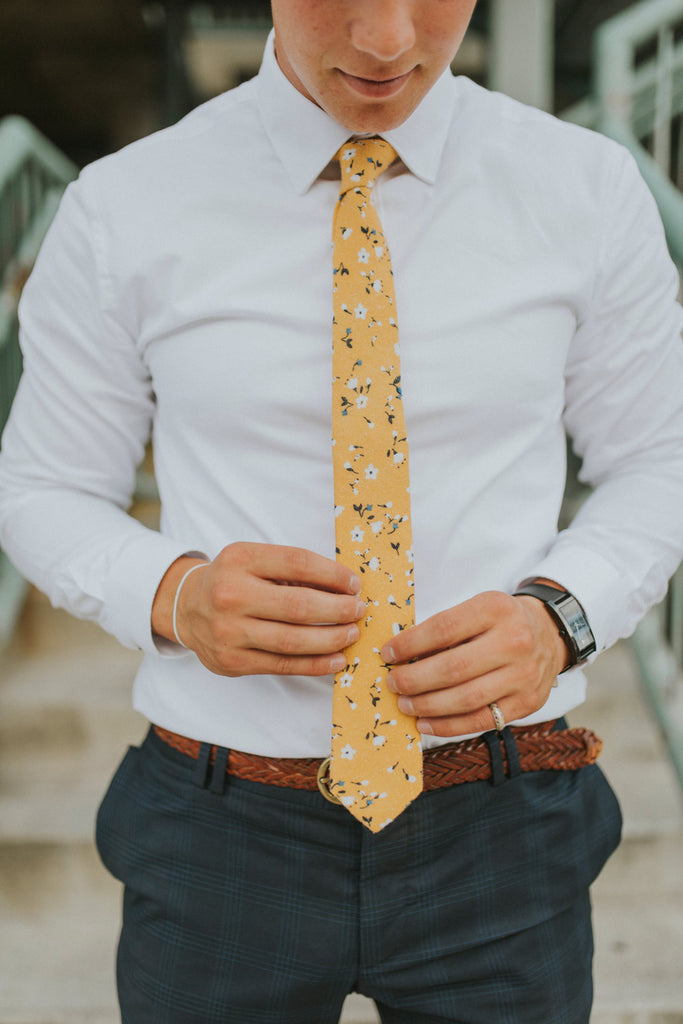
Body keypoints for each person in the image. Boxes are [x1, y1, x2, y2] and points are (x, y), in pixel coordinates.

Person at [1, 0, 682, 1020]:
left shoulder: (581, 189)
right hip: (219, 832)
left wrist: (561, 618)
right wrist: (175, 595)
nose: (386, 42)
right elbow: (40, 486)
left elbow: (657, 458)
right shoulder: (124, 206)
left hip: (502, 824)